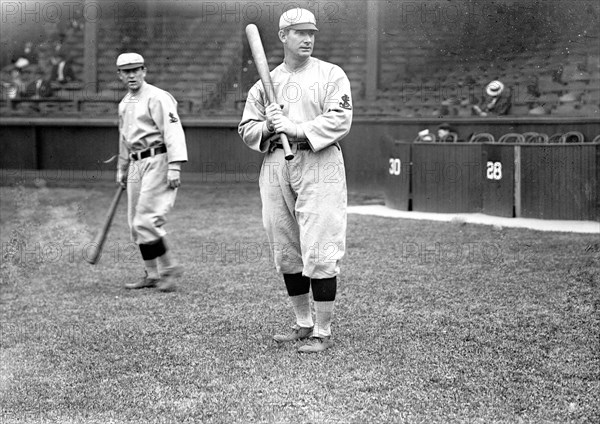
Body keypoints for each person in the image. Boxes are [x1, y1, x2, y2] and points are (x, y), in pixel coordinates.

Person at [238, 8, 353, 353]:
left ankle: (323, 329)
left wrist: (297, 128)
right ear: (283, 36)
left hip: (319, 160)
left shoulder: (331, 74)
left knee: (320, 244)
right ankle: (303, 323)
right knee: (285, 246)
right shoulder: (265, 83)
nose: (307, 39)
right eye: (299, 32)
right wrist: (270, 128)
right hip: (276, 162)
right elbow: (247, 128)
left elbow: (341, 119)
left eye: (311, 33)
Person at [115, 52, 188, 292]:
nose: (132, 75)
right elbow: (124, 139)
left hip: (158, 158)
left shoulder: (158, 97)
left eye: (136, 70)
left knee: (146, 219)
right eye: (127, 71)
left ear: (144, 71)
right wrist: (122, 167)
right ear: (120, 75)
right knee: (135, 224)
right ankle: (152, 274)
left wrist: (175, 166)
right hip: (136, 163)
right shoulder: (124, 103)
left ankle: (169, 268)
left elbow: (173, 131)